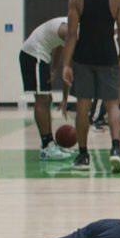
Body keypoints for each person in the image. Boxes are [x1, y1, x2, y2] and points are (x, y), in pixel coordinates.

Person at [63, 0, 120, 173]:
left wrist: (66, 64)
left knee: (83, 106)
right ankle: (116, 150)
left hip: (83, 57)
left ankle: (83, 155)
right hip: (108, 56)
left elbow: (71, 35)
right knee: (112, 105)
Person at [19, 17, 73, 160]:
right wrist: (65, 100)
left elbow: (59, 47)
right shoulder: (71, 31)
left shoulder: (70, 26)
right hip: (33, 55)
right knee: (42, 99)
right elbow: (68, 72)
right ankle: (47, 146)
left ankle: (49, 144)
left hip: (39, 55)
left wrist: (54, 69)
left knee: (46, 98)